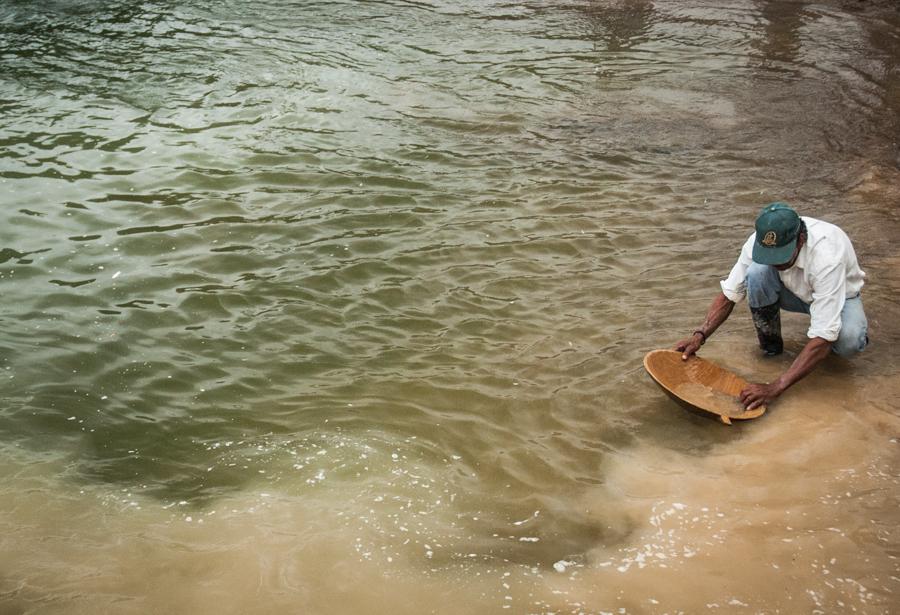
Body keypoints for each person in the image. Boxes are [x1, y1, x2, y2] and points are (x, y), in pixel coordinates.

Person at [675, 202, 868, 410]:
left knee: (848, 339)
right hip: (792, 291)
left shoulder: (827, 257)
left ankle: (824, 352)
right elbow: (729, 294)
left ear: (800, 240)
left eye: (781, 258)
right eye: (771, 258)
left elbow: (823, 335)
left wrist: (776, 387)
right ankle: (771, 349)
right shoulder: (758, 242)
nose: (775, 264)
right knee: (757, 273)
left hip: (841, 296)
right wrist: (699, 336)